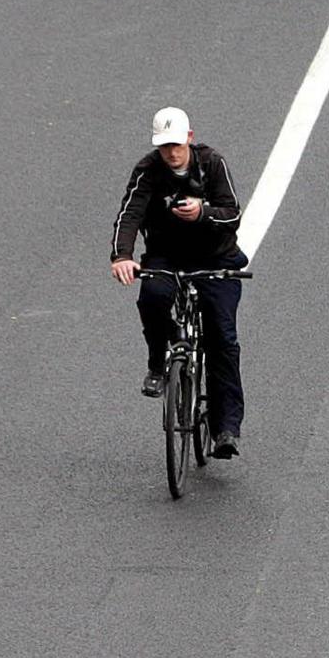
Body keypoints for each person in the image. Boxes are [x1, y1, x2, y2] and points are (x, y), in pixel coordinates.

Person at [110, 106, 249, 459]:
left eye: (176, 144)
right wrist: (122, 256)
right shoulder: (148, 171)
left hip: (216, 258)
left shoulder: (212, 163)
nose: (171, 153)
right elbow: (130, 213)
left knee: (222, 337)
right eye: (163, 146)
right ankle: (159, 362)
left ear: (189, 138)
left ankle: (225, 429)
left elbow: (232, 212)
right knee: (152, 298)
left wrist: (203, 212)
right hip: (166, 257)